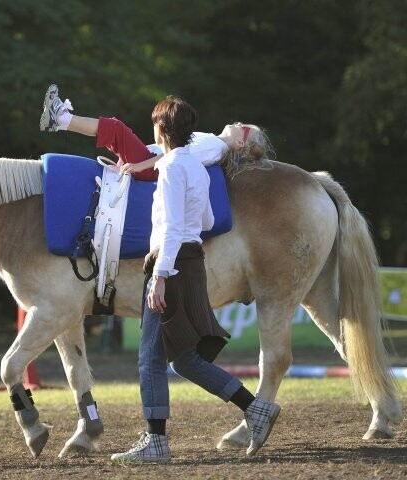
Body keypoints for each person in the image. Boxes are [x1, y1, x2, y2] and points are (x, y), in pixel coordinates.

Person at [76, 96, 279, 462]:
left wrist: (159, 277)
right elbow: (204, 221)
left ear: (161, 130)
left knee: (149, 358)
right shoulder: (200, 167)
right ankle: (257, 408)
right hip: (192, 260)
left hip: (170, 264)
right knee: (183, 360)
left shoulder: (169, 168)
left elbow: (169, 228)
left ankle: (156, 442)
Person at [39, 84, 274, 181]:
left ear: (241, 144)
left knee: (115, 128)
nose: (239, 123)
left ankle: (60, 119)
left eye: (243, 128)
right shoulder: (214, 144)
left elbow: (177, 154)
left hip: (150, 167)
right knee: (117, 131)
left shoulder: (215, 146)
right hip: (149, 161)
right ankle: (61, 121)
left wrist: (141, 166)